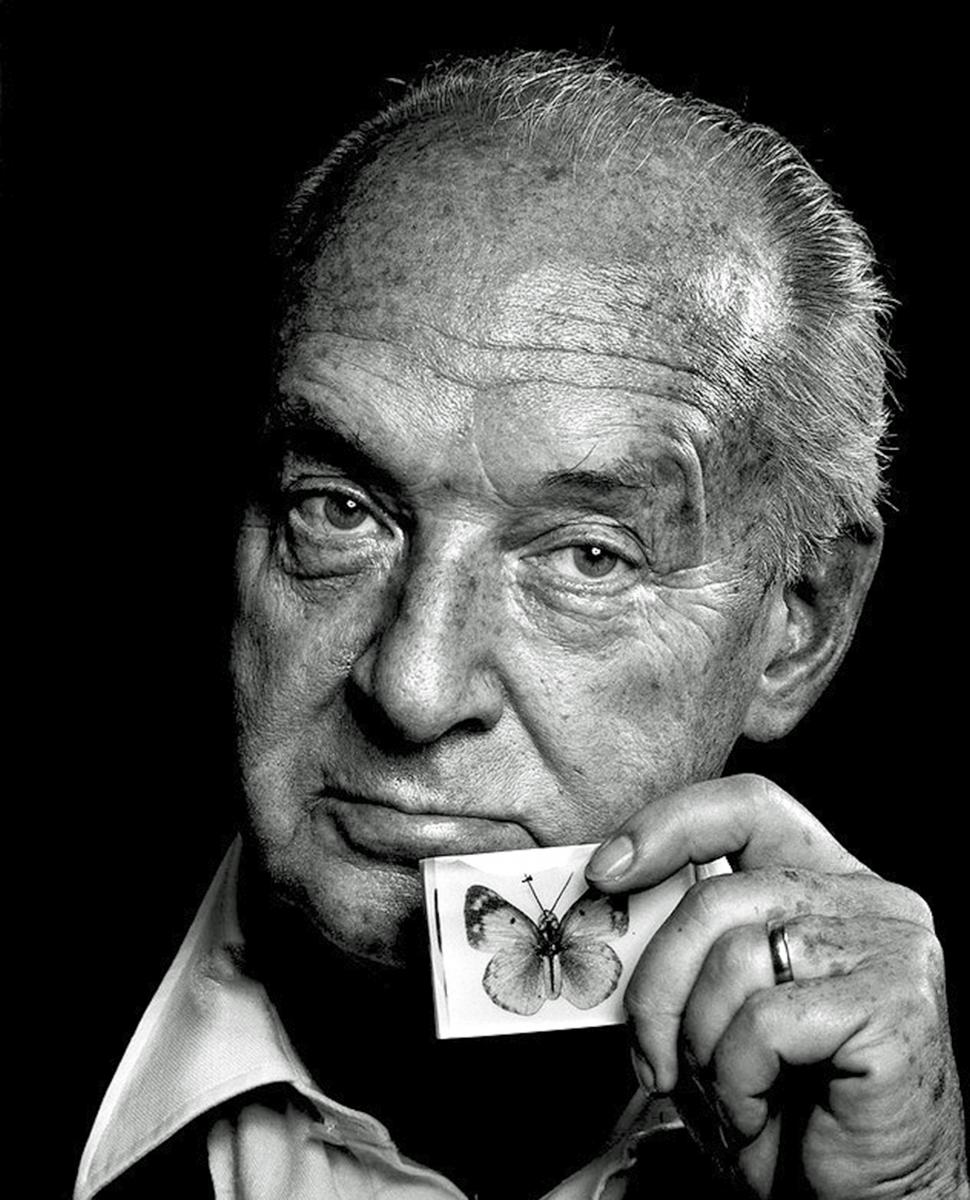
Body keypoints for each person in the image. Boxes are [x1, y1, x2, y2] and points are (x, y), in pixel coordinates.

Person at [73, 51, 967, 1199]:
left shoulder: (910, 1123)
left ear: (800, 619)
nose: (412, 688)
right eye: (338, 510)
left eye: (586, 557)